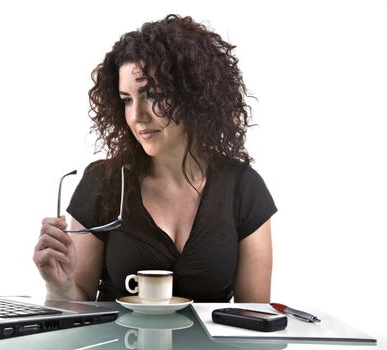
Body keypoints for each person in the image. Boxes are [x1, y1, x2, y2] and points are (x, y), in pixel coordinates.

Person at [33, 14, 277, 303]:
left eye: (153, 95)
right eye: (127, 99)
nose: (136, 116)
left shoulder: (243, 188)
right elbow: (76, 306)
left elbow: (254, 321)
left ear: (193, 95)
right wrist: (59, 286)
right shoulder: (103, 183)